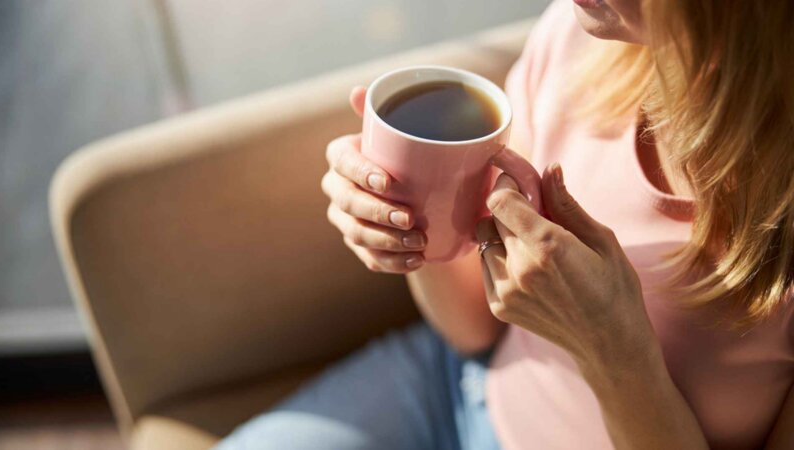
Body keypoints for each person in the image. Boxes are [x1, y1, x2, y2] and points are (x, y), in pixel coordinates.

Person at [216, 0, 794, 448]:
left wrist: (613, 351)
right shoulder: (579, 36)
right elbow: (473, 330)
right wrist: (410, 224)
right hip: (460, 389)